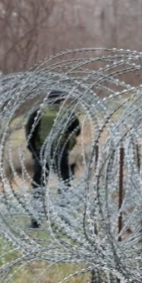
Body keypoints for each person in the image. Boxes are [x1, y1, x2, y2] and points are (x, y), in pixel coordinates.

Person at [24, 90, 80, 228]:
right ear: (61, 100)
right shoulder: (68, 113)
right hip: (61, 152)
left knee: (38, 187)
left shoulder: (37, 113)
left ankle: (35, 221)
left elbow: (29, 134)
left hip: (41, 153)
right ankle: (64, 219)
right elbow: (77, 131)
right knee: (64, 184)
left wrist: (34, 151)